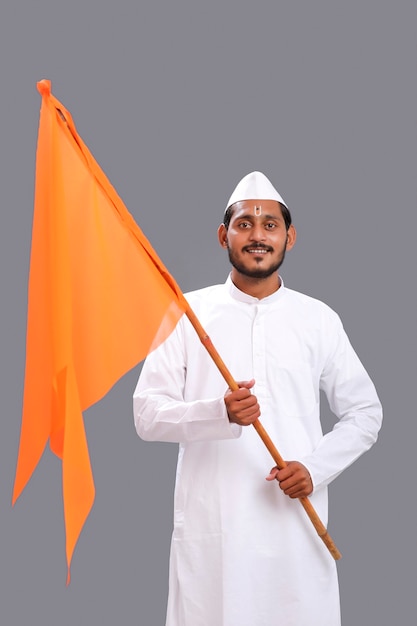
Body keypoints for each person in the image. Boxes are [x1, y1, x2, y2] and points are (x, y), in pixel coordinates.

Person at [133, 171, 382, 626]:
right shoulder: (188, 313)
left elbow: (365, 413)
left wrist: (315, 468)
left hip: (295, 532)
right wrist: (216, 412)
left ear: (290, 237)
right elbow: (147, 414)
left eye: (270, 224)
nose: (257, 234)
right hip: (216, 533)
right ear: (222, 235)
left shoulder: (318, 319)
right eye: (244, 223)